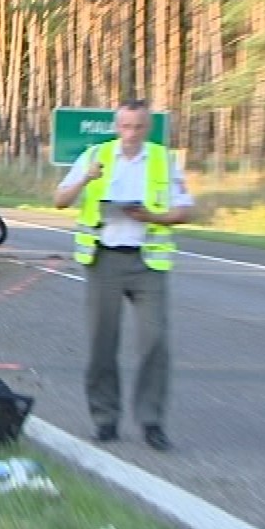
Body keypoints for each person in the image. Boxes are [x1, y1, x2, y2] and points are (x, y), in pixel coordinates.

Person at [53, 99, 194, 452]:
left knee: (155, 341)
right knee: (102, 342)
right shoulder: (96, 156)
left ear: (148, 128)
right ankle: (105, 419)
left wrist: (151, 217)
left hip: (147, 262)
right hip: (104, 259)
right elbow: (60, 200)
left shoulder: (163, 160)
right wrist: (85, 178)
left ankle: (151, 421)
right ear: (116, 127)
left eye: (138, 127)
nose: (131, 133)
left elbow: (184, 211)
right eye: (126, 126)